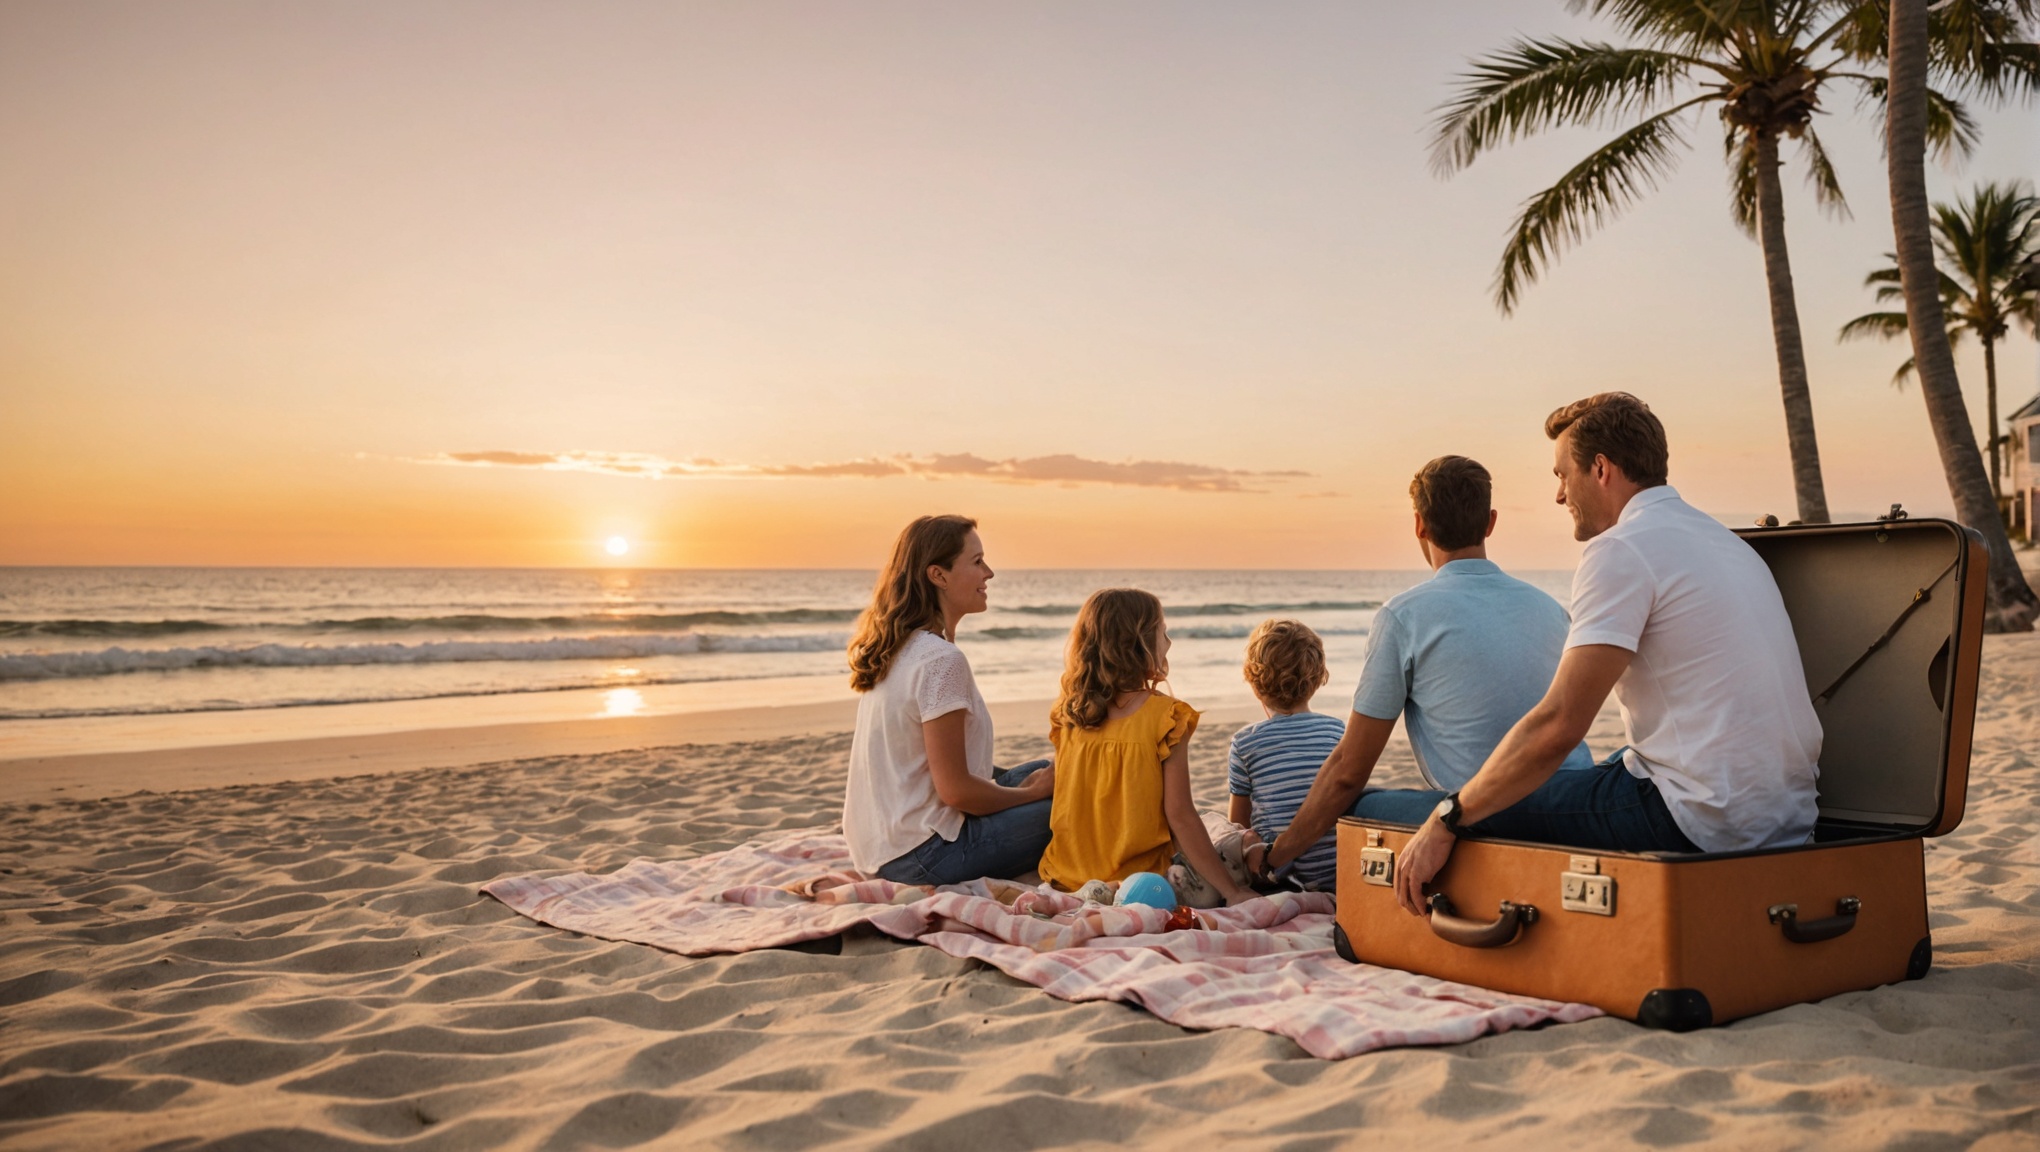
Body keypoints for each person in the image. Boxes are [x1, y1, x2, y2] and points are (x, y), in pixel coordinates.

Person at [1384, 393, 1823, 916]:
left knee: (1454, 806)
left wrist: (1448, 817)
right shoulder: (1731, 545)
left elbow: (1560, 724)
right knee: (1593, 771)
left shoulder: (1620, 549)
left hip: (1697, 820)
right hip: (1791, 819)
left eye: (1561, 475)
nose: (1557, 494)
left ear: (1600, 468)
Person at [1247, 455, 1593, 887]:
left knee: (1355, 804)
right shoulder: (1550, 609)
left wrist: (1274, 856)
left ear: (1419, 525)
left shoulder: (1404, 615)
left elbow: (1348, 772)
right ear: (1490, 522)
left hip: (1482, 814)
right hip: (1575, 805)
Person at [842, 515, 1055, 885]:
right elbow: (957, 792)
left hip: (881, 848)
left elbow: (943, 771)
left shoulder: (901, 648)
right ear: (938, 575)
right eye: (977, 562)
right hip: (919, 856)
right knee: (1079, 804)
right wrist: (1034, 792)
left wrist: (1025, 785)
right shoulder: (940, 661)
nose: (989, 573)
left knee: (1052, 769)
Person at [1035, 589, 1255, 906]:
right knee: (1220, 834)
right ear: (1139, 644)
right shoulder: (1166, 717)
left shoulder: (1068, 714)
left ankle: (1097, 888)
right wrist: (1232, 892)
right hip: (1140, 881)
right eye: (1163, 632)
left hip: (1062, 875)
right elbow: (1180, 815)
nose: (1169, 641)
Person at [1224, 620, 1345, 892]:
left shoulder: (1245, 742)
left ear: (1255, 685)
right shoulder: (1337, 730)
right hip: (1338, 876)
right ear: (1318, 679)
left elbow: (1239, 825)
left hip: (1279, 879)